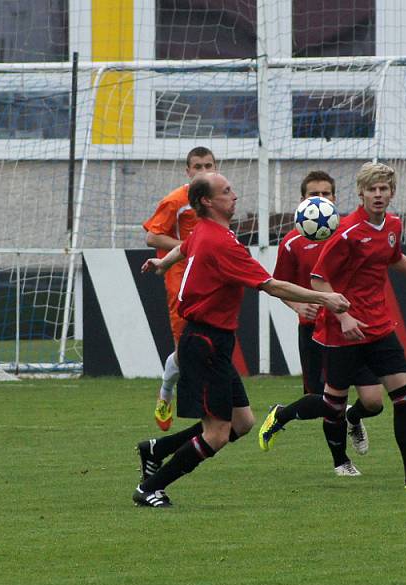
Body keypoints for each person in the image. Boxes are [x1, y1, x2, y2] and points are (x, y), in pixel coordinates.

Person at [133, 172, 350, 508]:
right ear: (207, 201)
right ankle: (151, 488)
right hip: (204, 342)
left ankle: (156, 450)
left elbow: (184, 247)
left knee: (243, 422)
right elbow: (272, 285)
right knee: (217, 434)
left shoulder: (208, 231)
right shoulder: (220, 243)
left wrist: (163, 262)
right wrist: (326, 299)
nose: (235, 195)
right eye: (227, 191)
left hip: (214, 342)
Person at [259, 162, 406, 490]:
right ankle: (281, 415)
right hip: (342, 332)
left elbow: (393, 258)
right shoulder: (347, 232)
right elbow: (318, 279)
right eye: (372, 189)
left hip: (379, 328)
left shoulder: (392, 225)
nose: (378, 194)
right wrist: (343, 316)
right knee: (331, 405)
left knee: (403, 398)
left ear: (391, 192)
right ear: (361, 193)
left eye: (384, 189)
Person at [266, 171, 384, 476]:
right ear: (301, 200)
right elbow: (278, 285)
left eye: (326, 194)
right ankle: (341, 462)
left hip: (355, 327)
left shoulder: (351, 232)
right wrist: (297, 305)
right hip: (316, 332)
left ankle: (291, 414)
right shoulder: (292, 242)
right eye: (312, 195)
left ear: (335, 199)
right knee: (326, 401)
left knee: (373, 402)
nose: (319, 200)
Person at [142, 146, 216, 431]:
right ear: (188, 172)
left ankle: (205, 399)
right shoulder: (176, 200)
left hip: (209, 280)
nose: (203, 171)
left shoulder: (217, 201)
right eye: (197, 166)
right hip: (179, 278)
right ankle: (167, 392)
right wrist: (189, 249)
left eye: (208, 165)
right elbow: (152, 236)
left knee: (209, 342)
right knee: (185, 346)